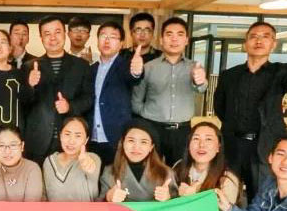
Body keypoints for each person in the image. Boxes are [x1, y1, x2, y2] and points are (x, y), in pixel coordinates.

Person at [214, 21, 287, 202]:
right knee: (225, 196)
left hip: (264, 146)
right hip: (232, 144)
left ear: (273, 44)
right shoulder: (229, 75)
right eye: (253, 37)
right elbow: (220, 108)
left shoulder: (281, 72)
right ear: (245, 43)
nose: (259, 41)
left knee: (261, 198)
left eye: (265, 37)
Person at [132, 16, 208, 165]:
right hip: (152, 128)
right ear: (161, 40)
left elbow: (202, 88)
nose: (174, 39)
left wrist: (200, 81)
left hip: (182, 131)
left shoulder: (195, 67)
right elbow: (136, 101)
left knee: (180, 170)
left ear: (186, 40)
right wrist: (148, 115)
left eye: (180, 34)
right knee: (150, 170)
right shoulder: (148, 67)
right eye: (169, 34)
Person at [22, 15, 94, 165]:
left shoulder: (81, 65)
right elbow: (22, 103)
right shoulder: (29, 66)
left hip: (70, 141)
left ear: (65, 34)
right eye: (47, 33)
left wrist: (70, 107)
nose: (53, 37)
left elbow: (89, 98)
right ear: (41, 38)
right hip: (38, 140)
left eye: (57, 32)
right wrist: (30, 85)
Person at [87, 20, 143, 166]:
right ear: (97, 41)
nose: (107, 40)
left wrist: (136, 71)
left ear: (121, 44)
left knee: (116, 177)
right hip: (92, 138)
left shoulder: (126, 65)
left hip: (116, 138)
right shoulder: (91, 69)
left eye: (113, 37)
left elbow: (133, 76)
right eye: (103, 36)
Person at [99, 119, 177, 202]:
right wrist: (108, 197)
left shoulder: (166, 173)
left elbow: (178, 203)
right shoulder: (109, 172)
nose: (136, 147)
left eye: (143, 142)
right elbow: (98, 205)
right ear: (122, 143)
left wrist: (168, 197)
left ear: (151, 147)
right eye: (131, 140)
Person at [173, 121, 240, 211]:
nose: (201, 145)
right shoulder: (178, 167)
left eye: (208, 139)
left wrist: (193, 199)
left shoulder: (227, 179)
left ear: (218, 147)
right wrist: (167, 197)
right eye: (196, 138)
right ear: (188, 145)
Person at [0, 126, 43, 201]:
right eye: (1, 145)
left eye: (13, 145)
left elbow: (32, 204)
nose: (7, 151)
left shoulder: (32, 168)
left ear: (22, 146)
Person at [43, 117, 101, 201]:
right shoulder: (48, 161)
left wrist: (87, 164)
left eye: (78, 136)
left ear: (86, 140)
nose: (71, 141)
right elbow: (44, 196)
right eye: (67, 134)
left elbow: (91, 167)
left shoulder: (93, 158)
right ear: (60, 136)